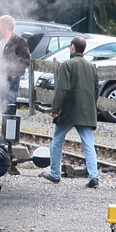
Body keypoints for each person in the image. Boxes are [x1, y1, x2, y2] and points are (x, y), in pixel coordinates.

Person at [45, 35, 100, 187]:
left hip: (69, 112)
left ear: (73, 47)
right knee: (88, 145)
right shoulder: (91, 67)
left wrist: (55, 109)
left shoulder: (67, 65)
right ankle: (94, 177)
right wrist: (91, 107)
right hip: (86, 112)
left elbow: (63, 89)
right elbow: (96, 90)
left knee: (57, 141)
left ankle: (55, 174)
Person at [0, 14, 32, 108]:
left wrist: (15, 74)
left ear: (5, 27)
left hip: (11, 79)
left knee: (9, 105)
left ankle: (9, 121)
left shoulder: (18, 41)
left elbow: (26, 60)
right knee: (1, 103)